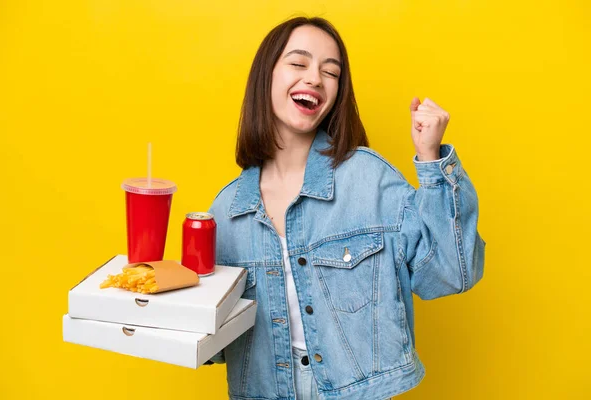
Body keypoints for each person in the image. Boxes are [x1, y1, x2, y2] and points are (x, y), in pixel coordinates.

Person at [204, 16, 486, 400]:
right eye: (299, 63)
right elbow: (216, 345)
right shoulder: (226, 210)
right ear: (265, 77)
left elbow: (451, 274)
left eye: (330, 72)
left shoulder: (370, 179)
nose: (315, 79)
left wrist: (432, 161)